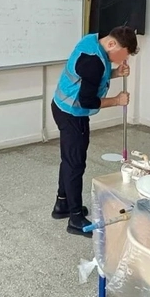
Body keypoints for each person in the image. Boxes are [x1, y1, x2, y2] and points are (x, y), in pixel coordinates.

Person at [51, 26, 138, 237]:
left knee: (69, 160)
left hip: (63, 107)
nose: (122, 59)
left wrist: (116, 73)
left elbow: (93, 76)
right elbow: (87, 101)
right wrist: (117, 100)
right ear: (112, 44)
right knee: (75, 164)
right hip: (72, 113)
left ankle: (62, 204)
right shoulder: (94, 61)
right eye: (122, 55)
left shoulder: (93, 42)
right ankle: (75, 219)